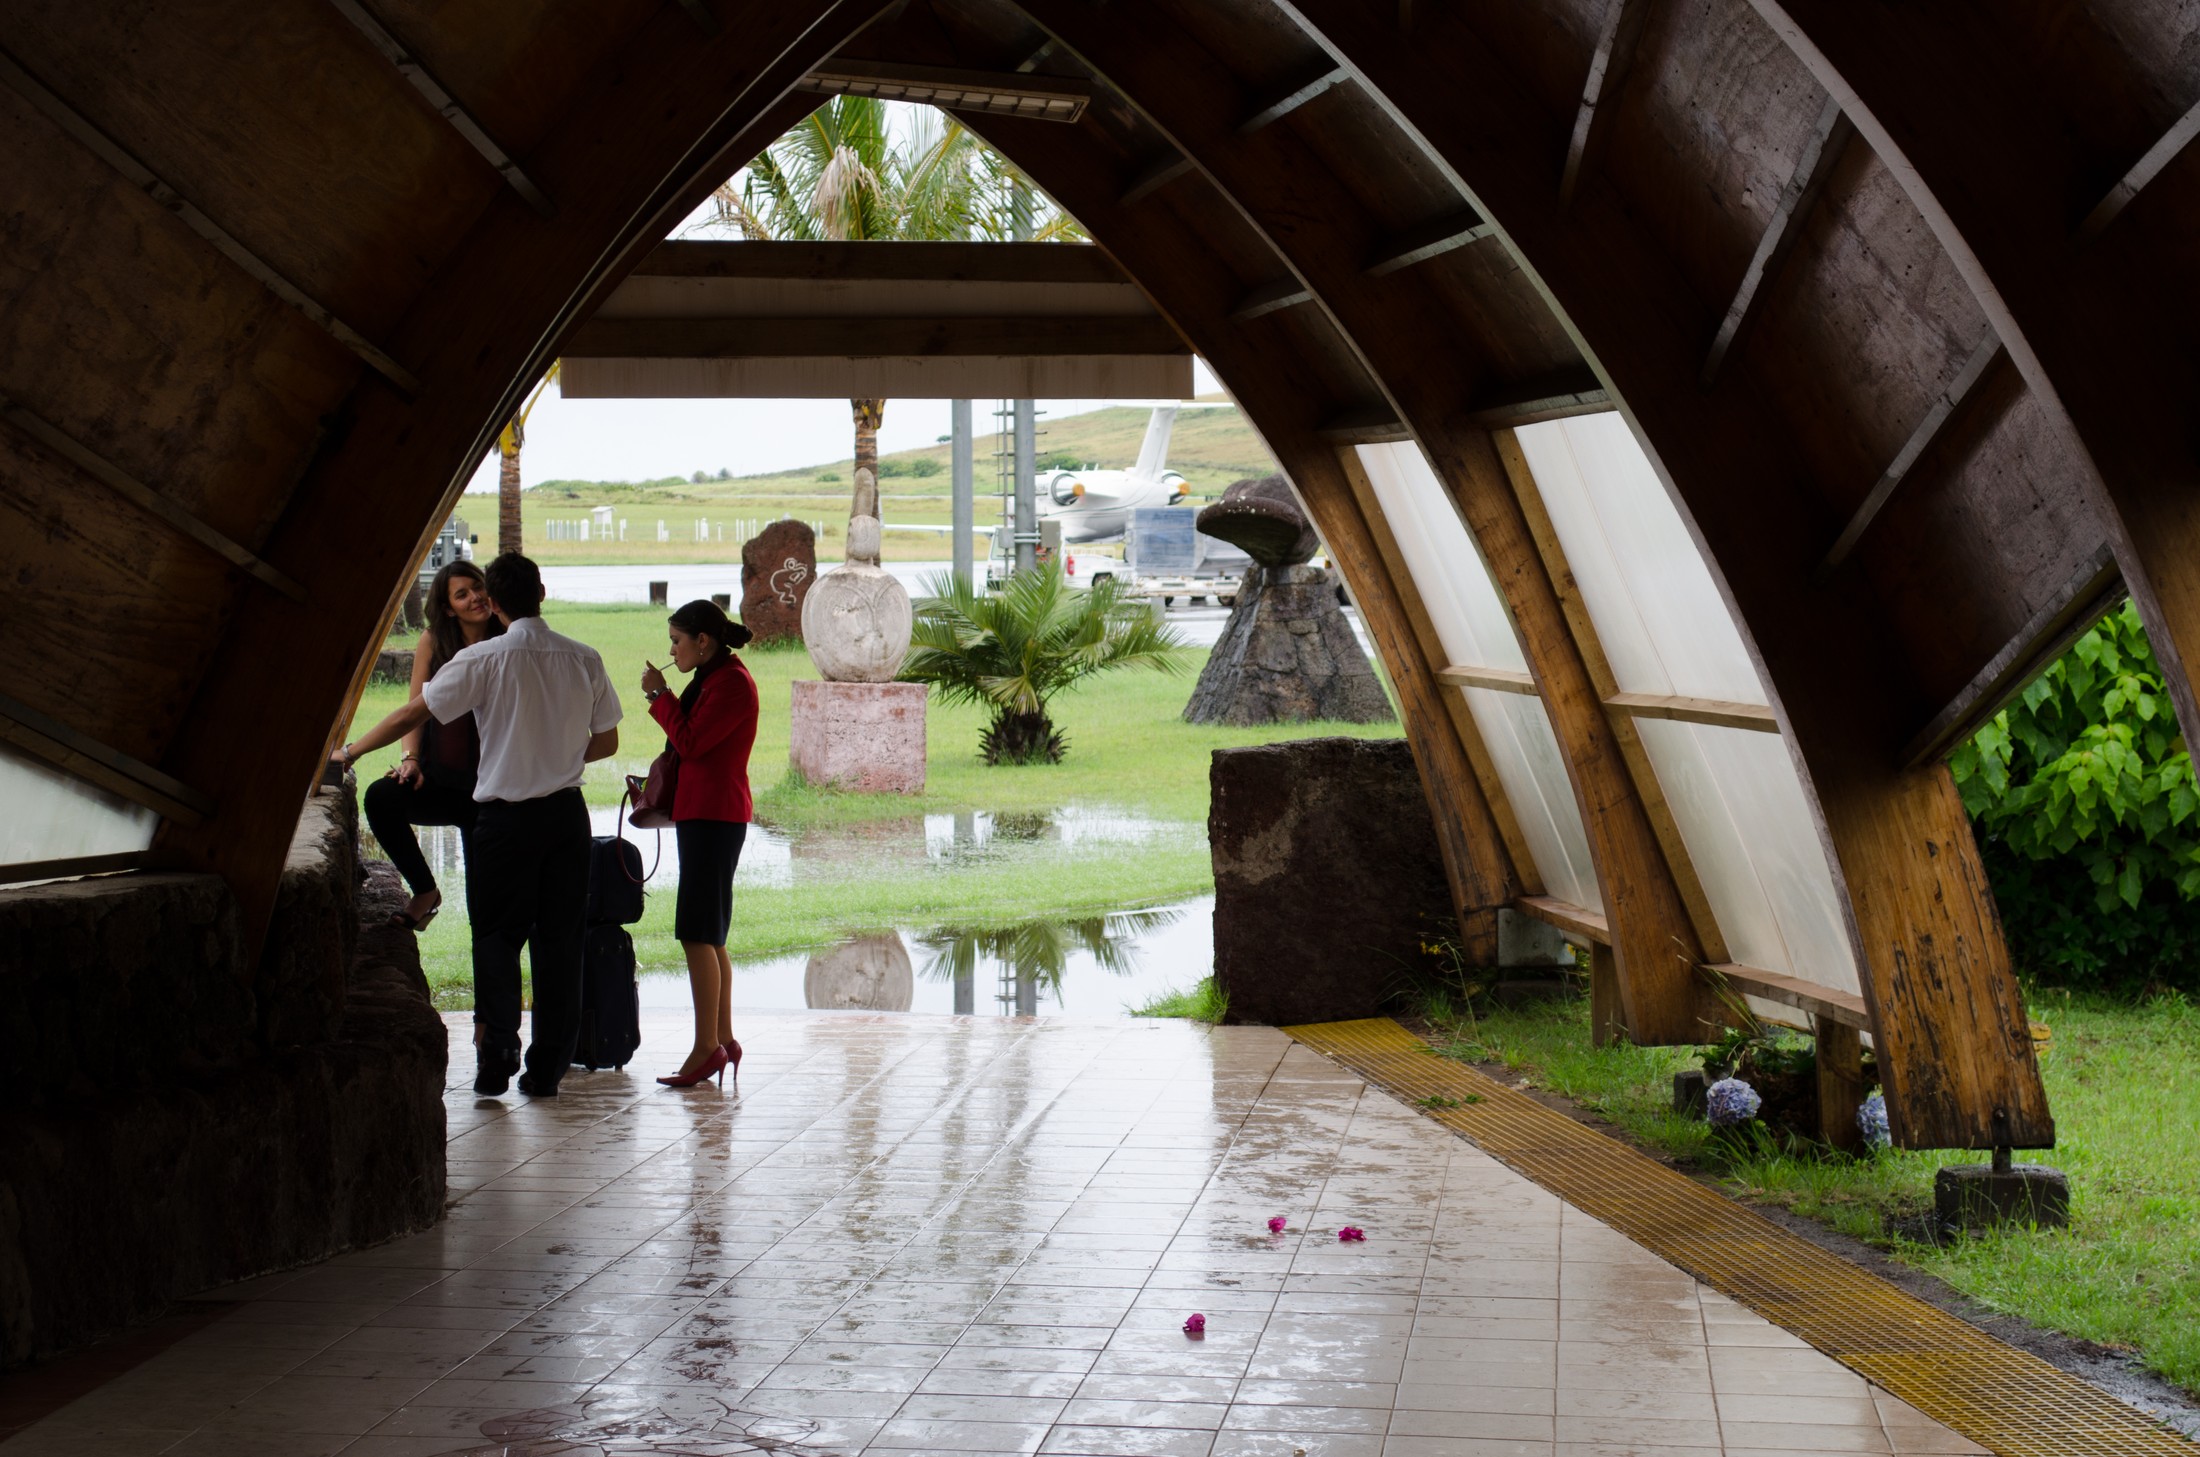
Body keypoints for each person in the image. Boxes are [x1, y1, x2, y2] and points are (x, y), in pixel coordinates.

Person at [335, 553, 621, 1098]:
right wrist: (555, 755)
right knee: (560, 941)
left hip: (505, 819)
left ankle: (498, 1057)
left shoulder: (485, 658)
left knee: (496, 937)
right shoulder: (583, 657)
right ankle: (547, 1069)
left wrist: (346, 753)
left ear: (493, 600)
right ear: (542, 589)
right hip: (565, 817)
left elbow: (410, 714)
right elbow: (606, 740)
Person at [639, 600, 759, 1088]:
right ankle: (722, 1038)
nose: (672, 649)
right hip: (705, 813)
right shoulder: (714, 678)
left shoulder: (731, 683)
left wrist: (660, 696)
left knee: (695, 932)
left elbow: (690, 743)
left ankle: (706, 1047)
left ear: (702, 641)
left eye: (676, 640)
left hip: (715, 815)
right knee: (710, 934)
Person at [361, 561, 503, 931]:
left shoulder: (507, 637)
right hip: (438, 779)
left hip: (490, 790)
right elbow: (413, 711)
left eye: (478, 587)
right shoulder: (434, 640)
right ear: (446, 607)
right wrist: (410, 760)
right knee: (381, 797)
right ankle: (425, 891)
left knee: (484, 911)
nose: (475, 597)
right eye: (462, 594)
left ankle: (494, 982)